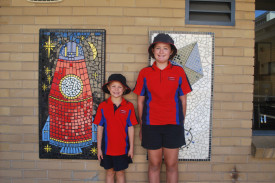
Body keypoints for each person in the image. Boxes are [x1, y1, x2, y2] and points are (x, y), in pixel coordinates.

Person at [133, 33, 192, 183]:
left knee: (171, 164)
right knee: (154, 164)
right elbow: (140, 102)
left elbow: (183, 101)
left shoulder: (178, 72)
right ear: (153, 51)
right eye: (158, 48)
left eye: (165, 48)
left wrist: (180, 124)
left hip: (173, 125)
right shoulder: (144, 73)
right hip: (151, 126)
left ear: (171, 51)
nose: (161, 52)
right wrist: (142, 127)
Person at [94, 74, 138, 183]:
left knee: (120, 172)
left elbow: (131, 128)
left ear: (124, 89)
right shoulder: (103, 106)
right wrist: (99, 148)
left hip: (122, 148)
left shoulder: (129, 106)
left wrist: (131, 148)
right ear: (108, 88)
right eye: (113, 86)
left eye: (119, 87)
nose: (116, 89)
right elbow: (100, 127)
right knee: (109, 172)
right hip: (107, 148)